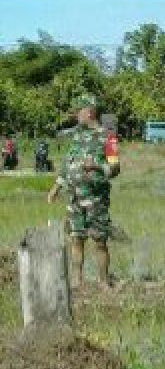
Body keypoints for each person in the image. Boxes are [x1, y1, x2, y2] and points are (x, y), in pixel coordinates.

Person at [47, 95, 119, 288]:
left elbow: (115, 169)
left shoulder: (108, 137)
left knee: (99, 241)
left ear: (90, 112)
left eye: (79, 111)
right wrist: (56, 187)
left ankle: (104, 282)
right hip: (75, 199)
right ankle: (77, 282)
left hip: (96, 199)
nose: (76, 115)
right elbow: (67, 164)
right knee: (76, 239)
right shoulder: (77, 136)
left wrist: (96, 165)